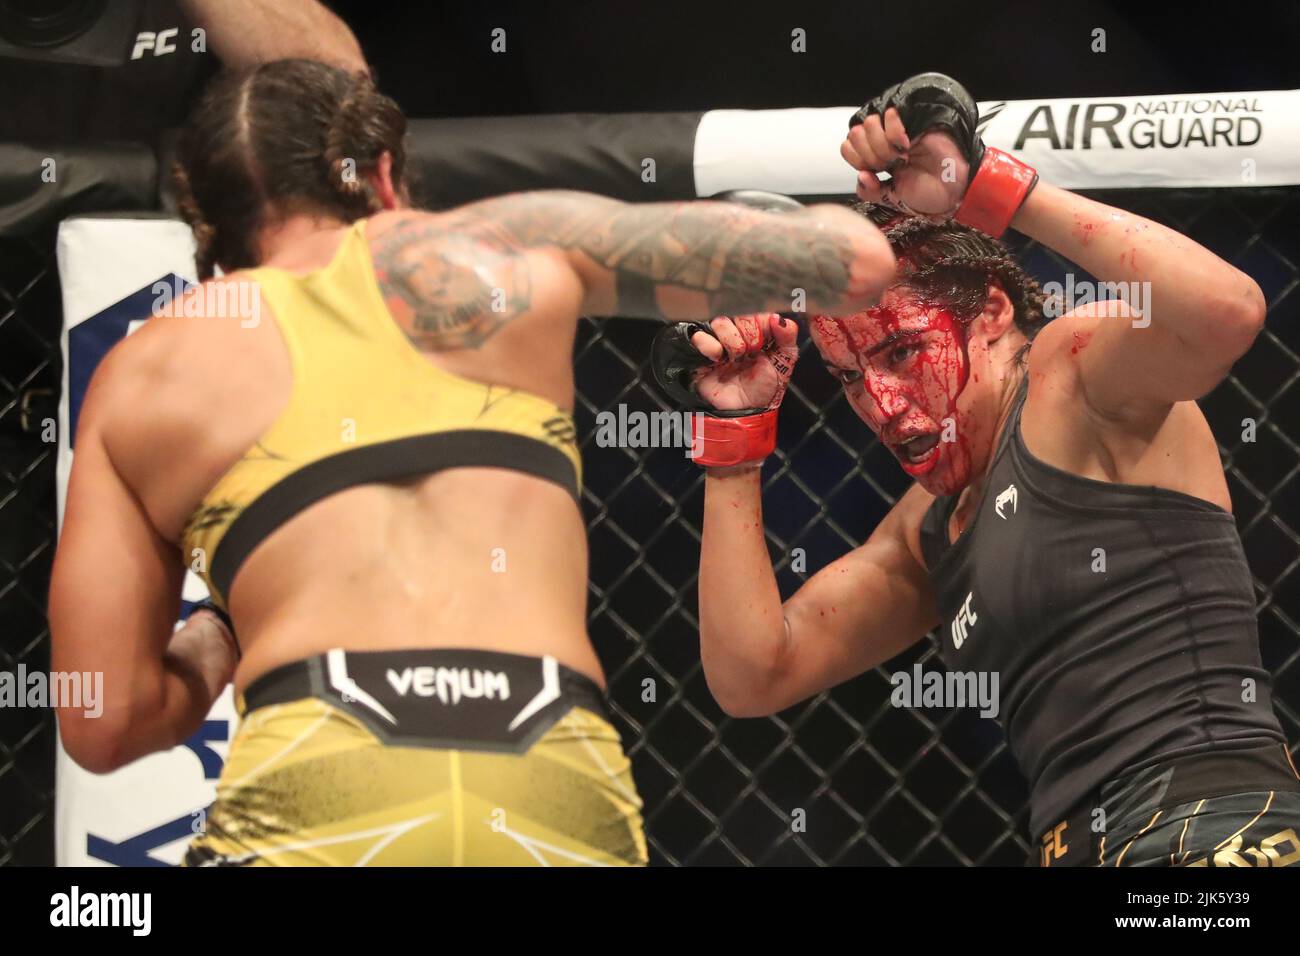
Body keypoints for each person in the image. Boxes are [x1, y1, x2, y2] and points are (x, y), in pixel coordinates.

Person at [47, 58, 895, 866]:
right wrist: (772, 231)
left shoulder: (148, 370)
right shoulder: (505, 248)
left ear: (210, 225)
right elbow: (855, 264)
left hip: (317, 774)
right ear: (383, 175)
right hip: (549, 771)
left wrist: (215, 638)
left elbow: (104, 720)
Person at [661, 74, 1300, 867]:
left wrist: (985, 186)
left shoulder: (1075, 377)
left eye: (901, 352)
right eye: (854, 378)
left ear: (993, 314)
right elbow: (754, 673)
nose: (884, 403)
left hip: (1213, 830)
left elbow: (1226, 310)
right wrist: (736, 442)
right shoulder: (927, 527)